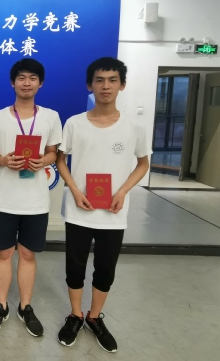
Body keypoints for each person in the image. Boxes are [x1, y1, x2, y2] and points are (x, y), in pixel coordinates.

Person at [56, 57, 150, 353]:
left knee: (105, 268)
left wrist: (123, 191)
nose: (105, 86)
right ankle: (75, 315)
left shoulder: (134, 126)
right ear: (90, 85)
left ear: (122, 85)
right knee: (75, 267)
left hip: (113, 212)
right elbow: (60, 159)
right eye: (99, 80)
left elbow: (143, 163)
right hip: (80, 210)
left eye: (112, 80)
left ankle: (95, 317)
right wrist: (73, 190)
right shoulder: (74, 123)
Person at [0, 58, 62, 337]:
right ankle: (2, 305)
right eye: (21, 78)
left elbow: (54, 152)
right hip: (4, 198)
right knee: (4, 252)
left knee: (28, 254)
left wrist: (44, 161)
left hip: (36, 200)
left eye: (32, 78)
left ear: (40, 83)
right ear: (12, 82)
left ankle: (25, 307)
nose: (26, 83)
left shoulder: (51, 117)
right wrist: (4, 161)